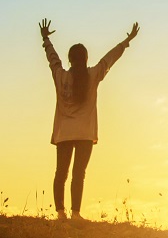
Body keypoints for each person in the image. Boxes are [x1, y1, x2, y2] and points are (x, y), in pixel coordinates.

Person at [39, 18, 139, 221]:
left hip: (64, 133)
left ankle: (60, 213)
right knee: (79, 174)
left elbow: (53, 59)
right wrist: (126, 41)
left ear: (70, 59)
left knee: (61, 173)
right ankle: (75, 213)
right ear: (85, 58)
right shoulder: (92, 75)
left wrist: (46, 40)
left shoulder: (60, 76)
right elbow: (109, 59)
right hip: (85, 133)